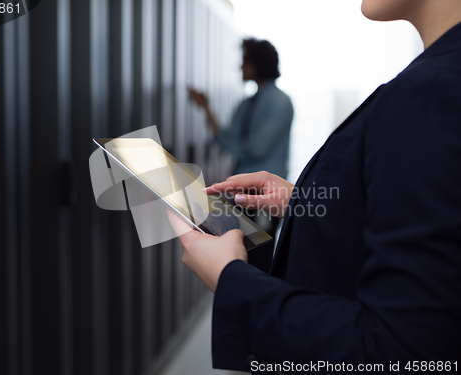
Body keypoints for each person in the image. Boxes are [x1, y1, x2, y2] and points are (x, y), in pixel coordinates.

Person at [170, 0, 461, 373]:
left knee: (255, 259)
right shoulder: (433, 81)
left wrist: (231, 280)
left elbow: (403, 351)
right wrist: (304, 201)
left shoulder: (432, 91)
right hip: (251, 197)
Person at [188, 39, 294, 239]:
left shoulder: (280, 102)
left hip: (265, 194)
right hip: (241, 192)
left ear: (258, 64)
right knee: (241, 248)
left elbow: (256, 148)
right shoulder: (247, 104)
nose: (240, 66)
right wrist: (206, 108)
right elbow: (225, 137)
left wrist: (232, 145)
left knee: (259, 254)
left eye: (245, 61)